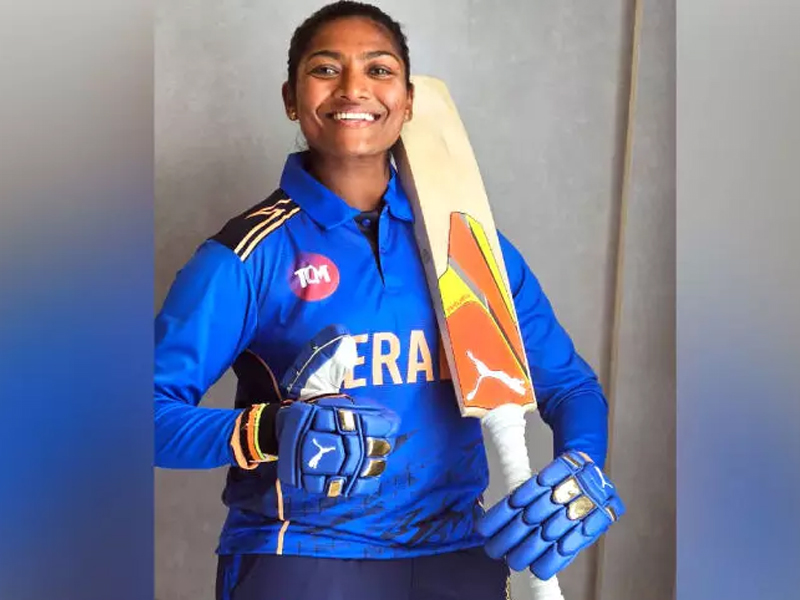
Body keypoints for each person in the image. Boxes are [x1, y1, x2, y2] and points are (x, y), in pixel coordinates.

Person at [154, 2, 624, 599]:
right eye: (326, 69)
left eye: (378, 70)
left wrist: (581, 467)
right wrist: (269, 430)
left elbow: (571, 387)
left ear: (407, 102)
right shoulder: (248, 255)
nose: (354, 87)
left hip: (458, 557)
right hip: (306, 557)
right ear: (291, 99)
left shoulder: (468, 243)